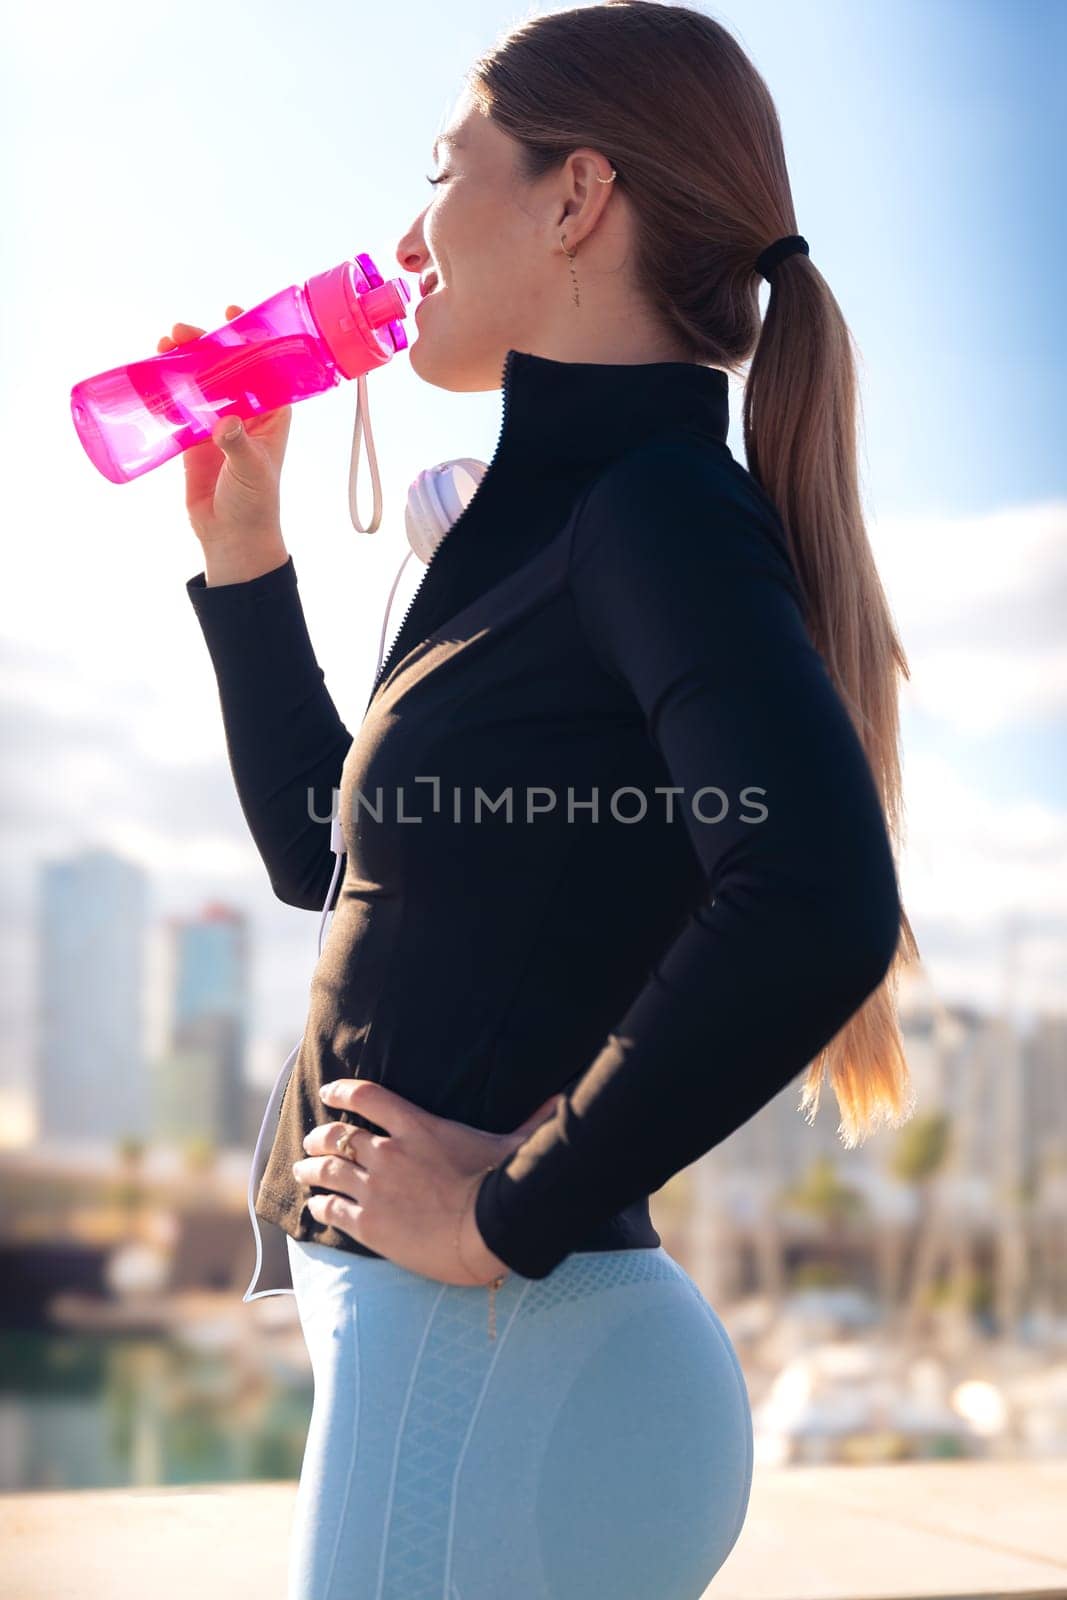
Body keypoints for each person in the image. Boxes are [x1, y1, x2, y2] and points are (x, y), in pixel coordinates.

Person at [167, 4, 918, 1595]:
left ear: (575, 200)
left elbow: (818, 896)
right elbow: (331, 860)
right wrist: (245, 558)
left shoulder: (649, 508)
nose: (405, 234)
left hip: (496, 1355)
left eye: (444, 171)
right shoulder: (549, 516)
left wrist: (506, 1209)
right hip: (465, 1360)